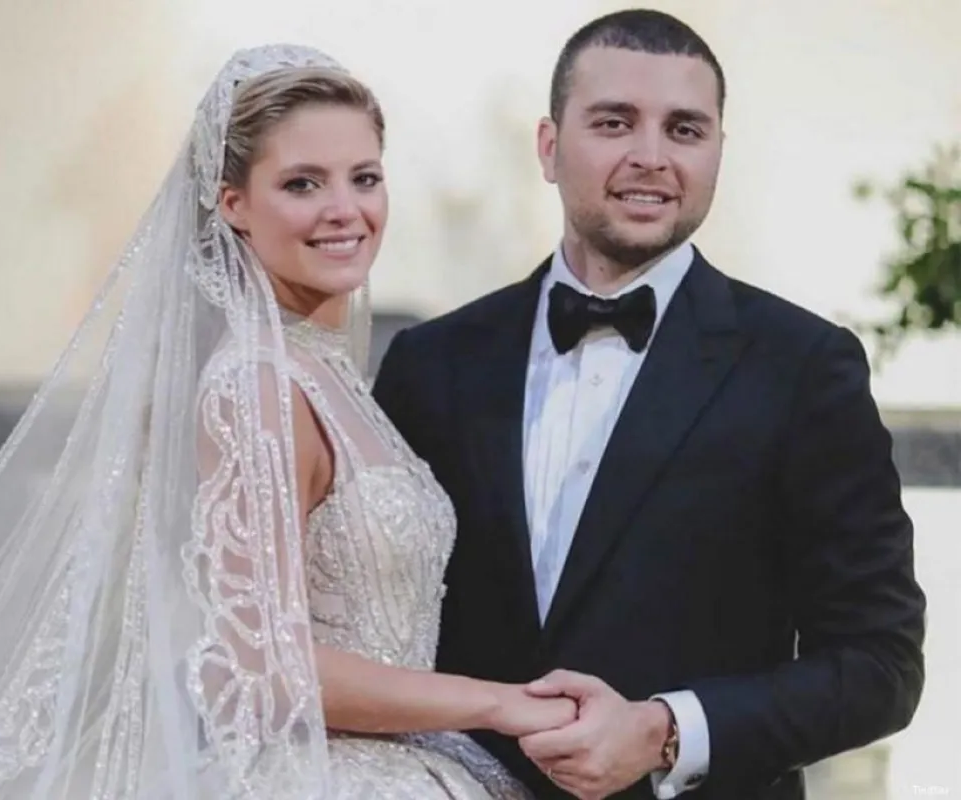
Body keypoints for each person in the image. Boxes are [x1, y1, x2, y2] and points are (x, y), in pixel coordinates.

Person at [0, 45, 580, 799]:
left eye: (363, 177)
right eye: (302, 184)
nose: (344, 209)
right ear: (233, 205)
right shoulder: (255, 385)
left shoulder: (325, 374)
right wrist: (494, 703)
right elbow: (262, 668)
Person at [373, 9, 927, 800]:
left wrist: (668, 731)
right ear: (548, 146)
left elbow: (881, 664)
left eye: (685, 130)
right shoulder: (431, 363)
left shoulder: (805, 367)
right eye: (614, 122)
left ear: (718, 151)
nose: (652, 157)